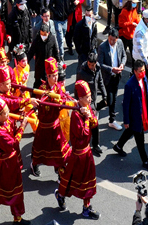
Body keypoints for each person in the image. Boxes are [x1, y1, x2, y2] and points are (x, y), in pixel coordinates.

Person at [55, 80, 99, 220]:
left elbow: (95, 123)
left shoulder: (86, 107)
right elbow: (82, 134)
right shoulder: (75, 115)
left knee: (89, 182)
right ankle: (60, 195)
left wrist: (89, 116)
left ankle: (86, 207)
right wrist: (86, 118)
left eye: (90, 95)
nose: (90, 98)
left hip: (87, 152)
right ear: (79, 98)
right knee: (70, 180)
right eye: (87, 97)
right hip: (78, 155)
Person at [0, 95, 30, 224]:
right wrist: (23, 125)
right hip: (3, 164)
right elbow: (14, 142)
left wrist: (21, 119)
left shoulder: (6, 121)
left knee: (17, 189)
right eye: (5, 113)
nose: (8, 114)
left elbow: (13, 129)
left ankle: (18, 218)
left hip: (12, 161)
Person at [113, 59, 148, 172]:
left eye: (143, 70)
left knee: (130, 131)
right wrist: (126, 120)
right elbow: (126, 105)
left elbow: (146, 93)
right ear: (135, 71)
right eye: (140, 71)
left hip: (143, 113)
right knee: (140, 139)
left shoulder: (143, 79)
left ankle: (118, 146)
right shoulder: (129, 85)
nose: (143, 72)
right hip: (135, 117)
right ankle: (145, 161)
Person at [97, 28, 126, 131]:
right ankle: (95, 108)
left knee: (114, 98)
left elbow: (124, 55)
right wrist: (111, 69)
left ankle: (112, 120)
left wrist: (122, 64)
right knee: (108, 100)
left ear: (117, 39)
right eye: (110, 39)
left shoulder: (120, 43)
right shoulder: (102, 47)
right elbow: (99, 64)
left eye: (114, 40)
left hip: (117, 76)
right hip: (107, 77)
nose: (112, 41)